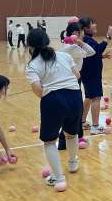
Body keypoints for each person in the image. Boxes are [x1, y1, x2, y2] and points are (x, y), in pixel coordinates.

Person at [25, 29, 82, 189]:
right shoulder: (64, 56)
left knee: (50, 141)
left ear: (30, 46)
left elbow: (38, 90)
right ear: (47, 41)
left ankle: (58, 178)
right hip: (75, 96)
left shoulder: (32, 65)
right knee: (71, 133)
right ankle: (72, 163)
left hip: (53, 100)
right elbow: (77, 75)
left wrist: (51, 96)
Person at [57, 21, 96, 150]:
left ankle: (78, 136)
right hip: (71, 81)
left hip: (73, 80)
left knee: (77, 109)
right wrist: (80, 42)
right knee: (73, 111)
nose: (83, 34)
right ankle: (63, 141)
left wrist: (78, 42)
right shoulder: (72, 48)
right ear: (76, 33)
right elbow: (91, 52)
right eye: (81, 32)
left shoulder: (70, 46)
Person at [79, 16, 112, 134]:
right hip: (92, 74)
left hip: (87, 73)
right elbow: (97, 50)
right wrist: (108, 36)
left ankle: (82, 122)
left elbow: (92, 54)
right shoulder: (88, 40)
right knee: (96, 98)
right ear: (85, 28)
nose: (95, 25)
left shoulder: (86, 39)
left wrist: (101, 56)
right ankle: (95, 126)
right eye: (92, 23)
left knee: (89, 97)